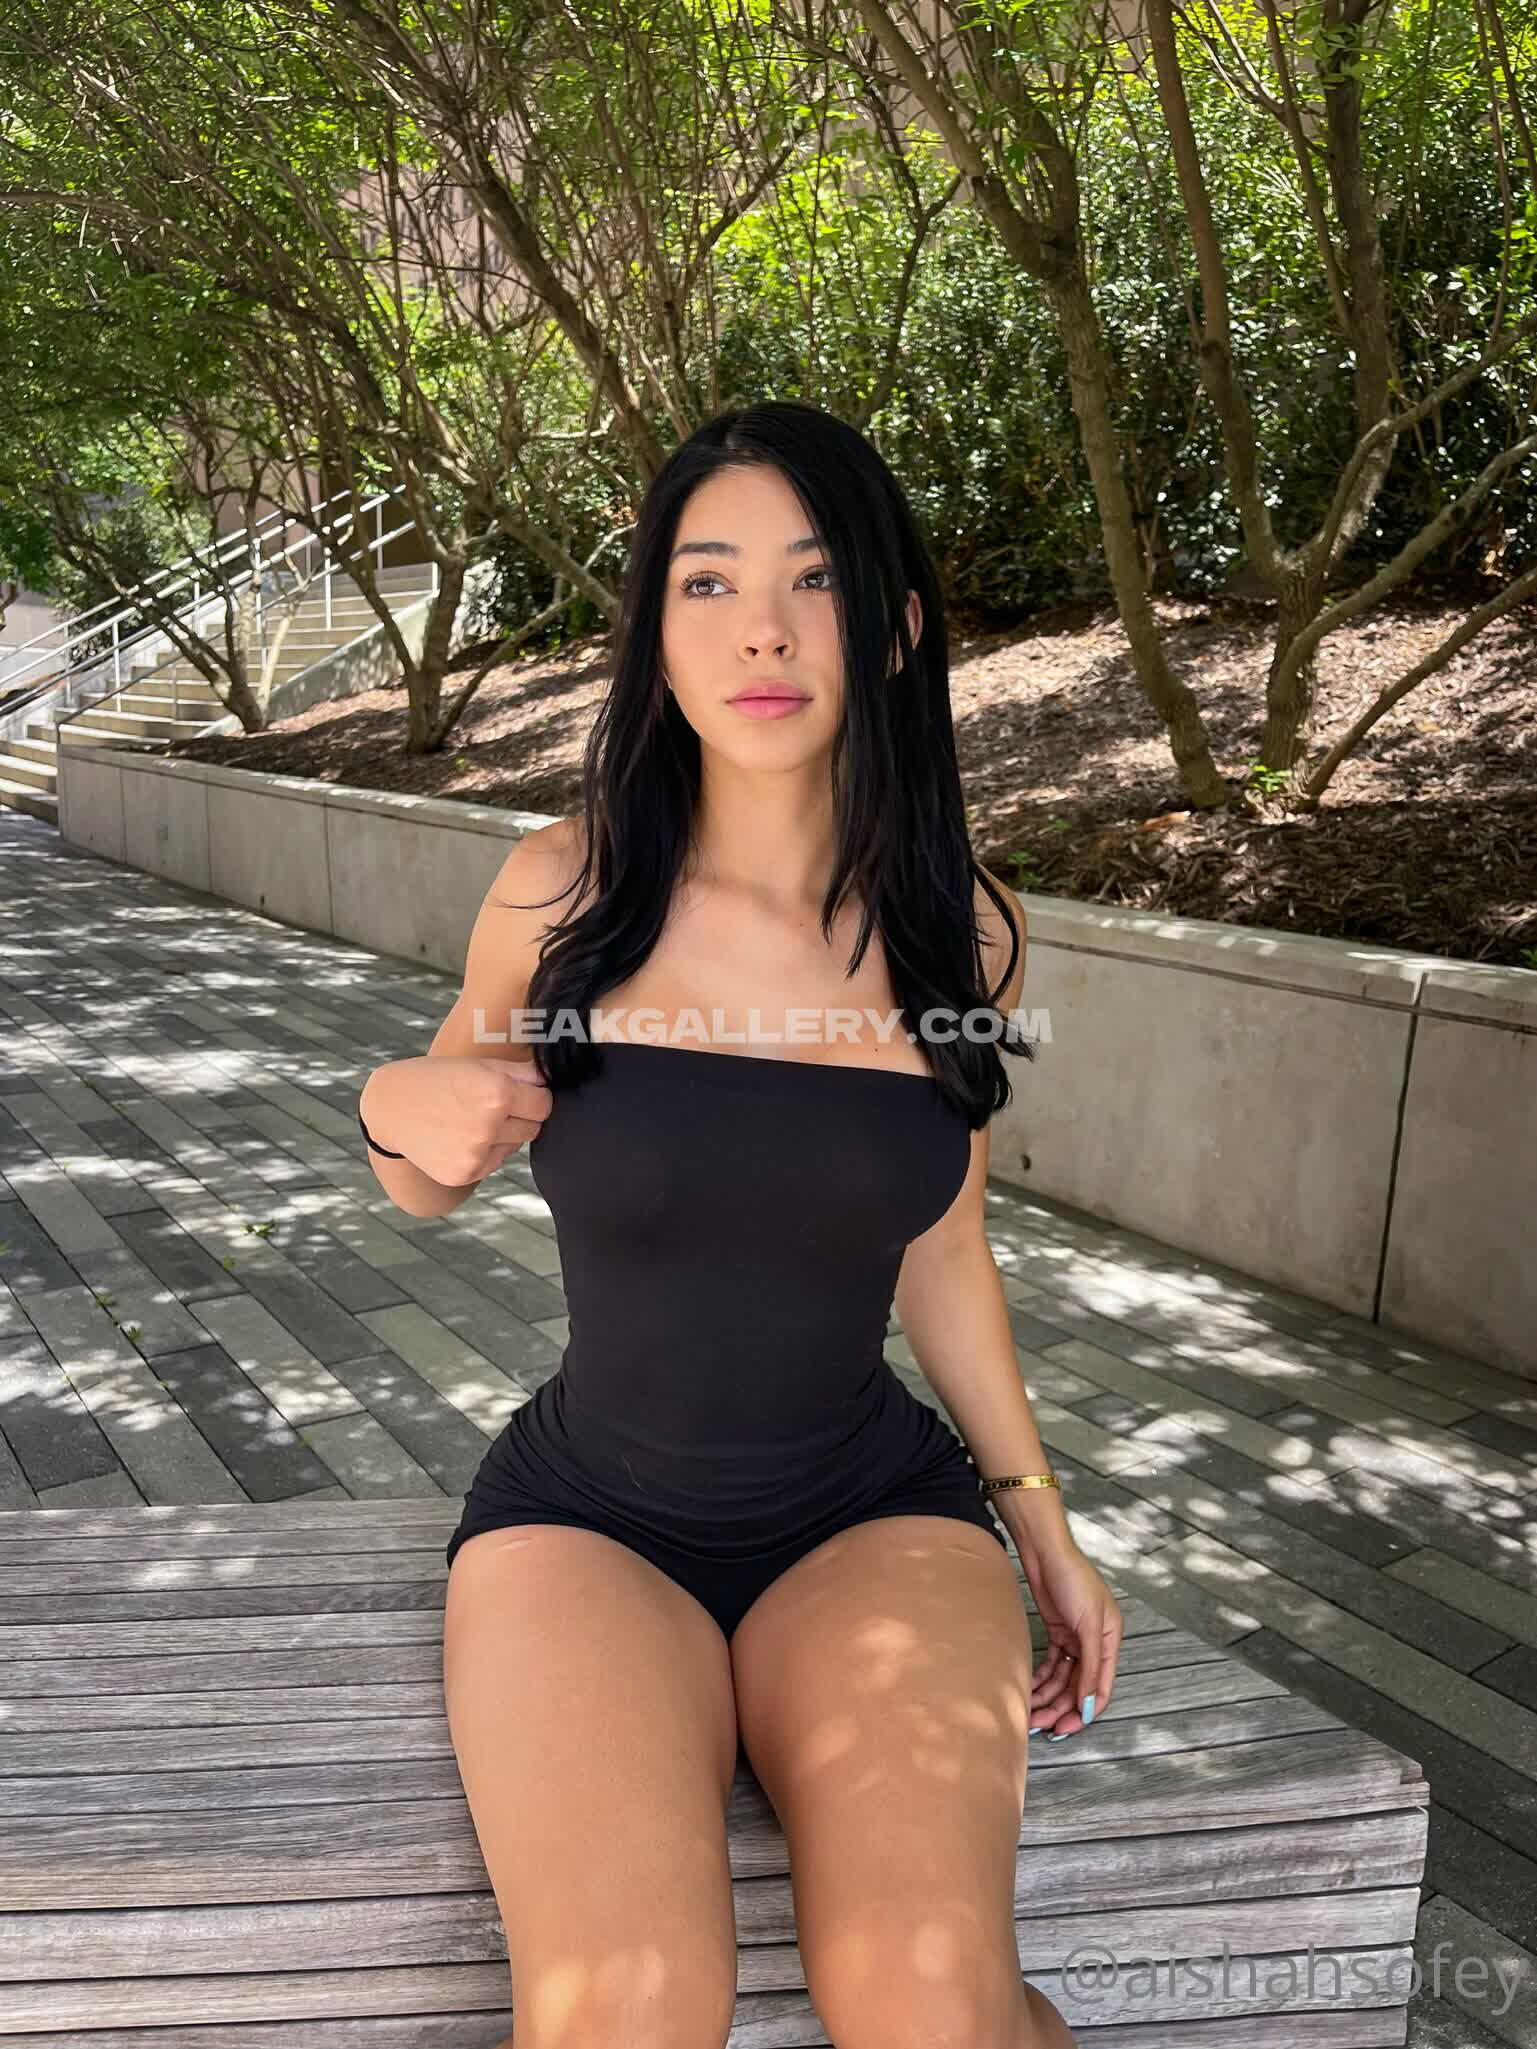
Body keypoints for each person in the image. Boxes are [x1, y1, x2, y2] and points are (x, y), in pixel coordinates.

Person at [358, 400, 1122, 2049]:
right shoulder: (560, 894)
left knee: (933, 2007)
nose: (760, 628)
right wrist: (389, 1105)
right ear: (654, 630)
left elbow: (942, 1245)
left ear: (895, 626)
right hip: (589, 1524)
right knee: (625, 2013)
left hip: (871, 1517)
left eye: (814, 578)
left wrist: (1041, 1517)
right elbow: (425, 1167)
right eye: (705, 581)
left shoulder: (965, 933)